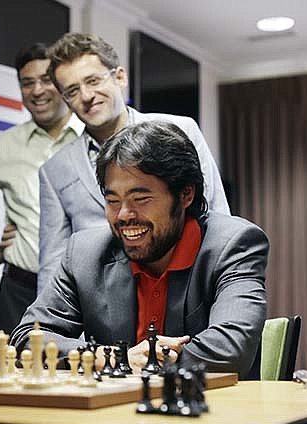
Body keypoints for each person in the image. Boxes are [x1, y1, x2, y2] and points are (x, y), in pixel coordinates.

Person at [12, 120, 268, 379]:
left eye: (140, 199)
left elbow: (232, 348)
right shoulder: (84, 254)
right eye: (113, 200)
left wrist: (150, 359)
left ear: (185, 194)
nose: (123, 215)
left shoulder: (233, 245)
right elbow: (26, 338)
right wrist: (112, 358)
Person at [38, 33, 231, 293]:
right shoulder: (55, 170)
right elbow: (53, 260)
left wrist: (221, 292)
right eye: (72, 90)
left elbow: (216, 217)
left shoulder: (180, 130)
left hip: (184, 289)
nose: (86, 96)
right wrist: (47, 328)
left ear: (119, 77)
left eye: (93, 81)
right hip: (104, 305)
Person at [0, 43, 84, 349]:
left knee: (85, 375)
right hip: (18, 291)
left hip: (84, 292)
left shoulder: (94, 140)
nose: (37, 90)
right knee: (5, 387)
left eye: (46, 80)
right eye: (27, 83)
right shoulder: (1, 149)